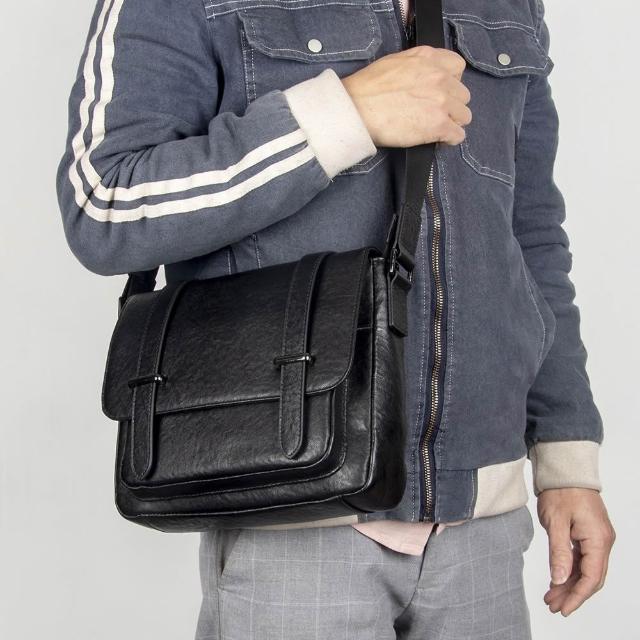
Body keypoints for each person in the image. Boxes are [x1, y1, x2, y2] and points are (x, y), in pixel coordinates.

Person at [55, 0, 616, 637]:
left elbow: (530, 234)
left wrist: (567, 460)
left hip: (484, 522)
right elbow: (104, 207)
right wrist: (343, 116)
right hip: (293, 509)